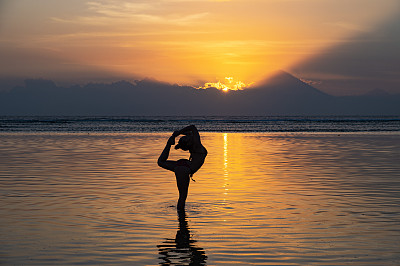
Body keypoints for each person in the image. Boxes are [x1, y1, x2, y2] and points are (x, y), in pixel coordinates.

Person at [158, 125, 207, 211]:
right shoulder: (196, 144)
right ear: (188, 142)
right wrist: (178, 133)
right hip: (185, 168)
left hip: (182, 165)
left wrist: (175, 135)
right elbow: (193, 127)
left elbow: (189, 132)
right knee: (182, 196)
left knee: (161, 162)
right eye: (185, 138)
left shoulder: (192, 143)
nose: (187, 136)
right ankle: (181, 217)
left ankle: (168, 145)